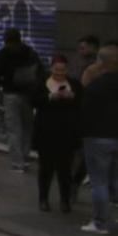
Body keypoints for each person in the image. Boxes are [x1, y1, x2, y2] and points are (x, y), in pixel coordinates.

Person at [77, 45, 118, 234]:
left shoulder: (96, 86)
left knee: (99, 182)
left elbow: (85, 114)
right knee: (115, 180)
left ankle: (100, 223)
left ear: (100, 62)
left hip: (97, 137)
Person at [32, 54, 81, 214]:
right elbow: (33, 100)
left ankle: (65, 201)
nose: (60, 73)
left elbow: (82, 101)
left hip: (66, 133)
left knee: (65, 169)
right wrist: (50, 96)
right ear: (51, 68)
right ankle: (43, 199)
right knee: (46, 168)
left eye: (63, 70)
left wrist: (72, 97)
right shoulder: (42, 83)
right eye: (57, 69)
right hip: (46, 132)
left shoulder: (74, 84)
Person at [0, 28, 41, 172]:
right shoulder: (30, 52)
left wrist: (1, 84)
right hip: (28, 95)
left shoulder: (3, 54)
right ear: (20, 38)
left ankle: (17, 163)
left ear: (5, 39)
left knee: (14, 129)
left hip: (10, 95)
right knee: (27, 127)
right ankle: (25, 157)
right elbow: (39, 70)